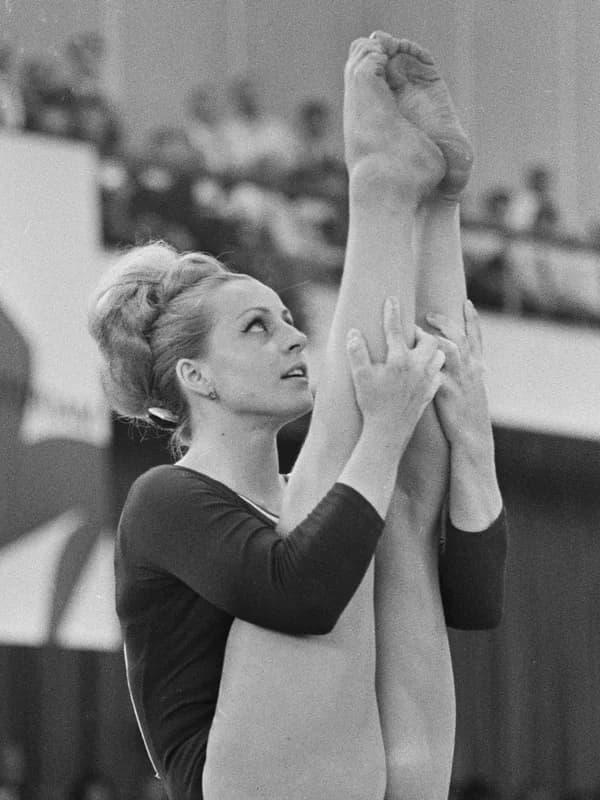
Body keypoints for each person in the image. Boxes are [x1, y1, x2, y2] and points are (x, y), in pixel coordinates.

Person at [89, 33, 507, 800]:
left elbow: (475, 603)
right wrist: (381, 434)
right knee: (346, 482)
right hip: (241, 783)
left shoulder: (309, 490)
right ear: (195, 377)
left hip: (366, 774)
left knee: (400, 506)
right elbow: (302, 596)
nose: (291, 338)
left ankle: (433, 201)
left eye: (287, 318)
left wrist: (471, 439)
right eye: (257, 327)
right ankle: (382, 189)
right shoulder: (164, 500)